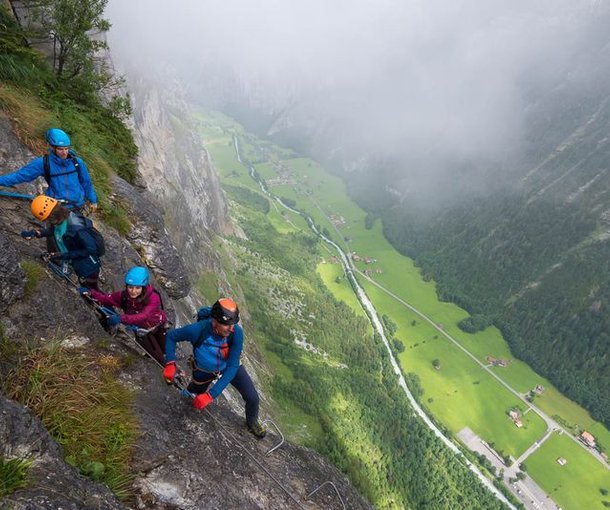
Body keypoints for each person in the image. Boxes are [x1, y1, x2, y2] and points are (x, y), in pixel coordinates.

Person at [162, 298, 267, 438]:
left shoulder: (236, 333)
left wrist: (211, 394)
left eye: (233, 324)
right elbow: (171, 337)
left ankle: (252, 422)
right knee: (192, 396)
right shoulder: (198, 330)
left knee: (253, 398)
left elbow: (233, 365)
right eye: (227, 324)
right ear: (215, 320)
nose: (231, 328)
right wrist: (170, 363)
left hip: (228, 367)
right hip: (204, 370)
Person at [82, 267, 167, 364]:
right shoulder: (123, 296)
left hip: (158, 327)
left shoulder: (153, 298)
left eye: (137, 288)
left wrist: (120, 318)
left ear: (143, 287)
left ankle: (174, 372)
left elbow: (144, 316)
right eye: (130, 287)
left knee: (166, 351)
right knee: (157, 357)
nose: (133, 291)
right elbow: (106, 299)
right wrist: (90, 293)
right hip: (143, 332)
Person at [0, 128, 98, 212]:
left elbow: (86, 182)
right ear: (52, 147)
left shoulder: (77, 162)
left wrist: (93, 200)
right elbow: (19, 176)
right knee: (57, 233)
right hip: (56, 208)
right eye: (60, 149)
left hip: (78, 207)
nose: (64, 153)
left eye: (66, 148)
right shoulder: (43, 163)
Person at [21, 195, 101, 289]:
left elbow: (91, 249)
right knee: (86, 287)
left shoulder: (76, 228)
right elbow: (54, 230)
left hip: (88, 267)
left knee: (90, 290)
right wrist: (37, 233)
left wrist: (63, 255)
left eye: (47, 219)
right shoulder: (61, 220)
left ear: (51, 216)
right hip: (78, 262)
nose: (47, 221)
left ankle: (98, 302)